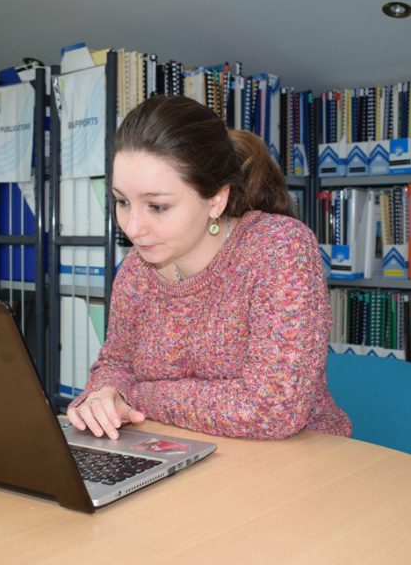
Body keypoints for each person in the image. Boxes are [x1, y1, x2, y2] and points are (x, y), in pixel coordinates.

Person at [67, 95, 351, 441]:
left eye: (157, 206)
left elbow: (273, 410)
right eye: (122, 201)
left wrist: (137, 395)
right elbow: (115, 364)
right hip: (180, 448)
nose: (133, 228)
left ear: (216, 199)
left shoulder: (279, 249)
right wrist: (103, 396)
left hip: (299, 456)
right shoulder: (136, 269)